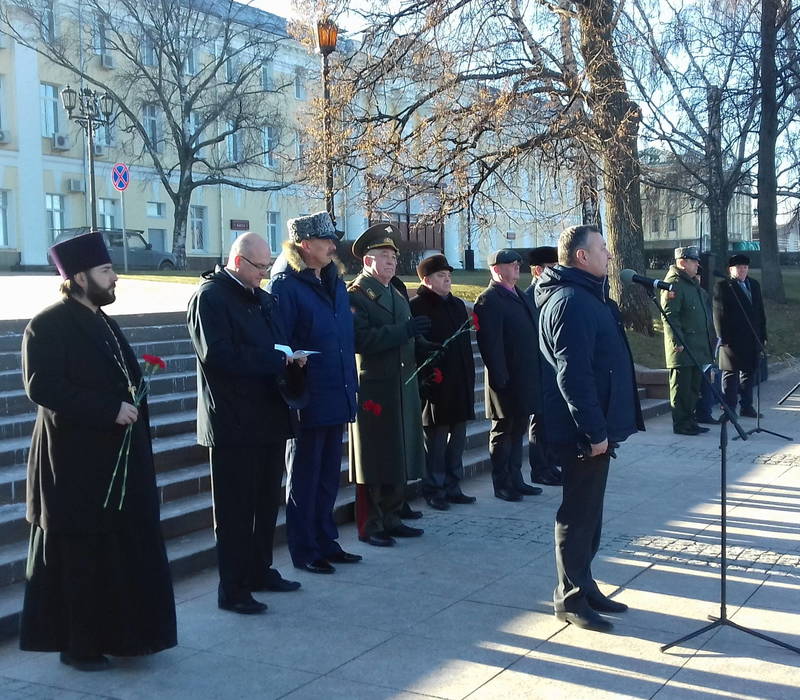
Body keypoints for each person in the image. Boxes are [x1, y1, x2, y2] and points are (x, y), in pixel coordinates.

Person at [20, 231, 176, 670]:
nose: (115, 279)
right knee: (81, 560)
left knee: (113, 555)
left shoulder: (104, 322)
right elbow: (42, 386)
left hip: (115, 464)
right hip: (73, 466)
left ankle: (120, 635)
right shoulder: (47, 324)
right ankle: (79, 644)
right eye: (106, 271)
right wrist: (108, 408)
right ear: (80, 276)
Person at [187, 232, 304, 615]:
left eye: (268, 265)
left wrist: (291, 358)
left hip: (269, 416)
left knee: (266, 502)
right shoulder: (210, 298)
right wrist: (274, 360)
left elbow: (277, 341)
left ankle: (260, 570)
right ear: (238, 262)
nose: (265, 273)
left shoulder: (262, 298)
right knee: (236, 511)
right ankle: (233, 587)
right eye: (259, 267)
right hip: (233, 423)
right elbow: (218, 355)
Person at [537, 225, 644, 633]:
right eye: (602, 249)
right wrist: (594, 431)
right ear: (581, 256)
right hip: (583, 431)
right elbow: (573, 375)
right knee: (577, 514)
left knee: (591, 513)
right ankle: (569, 598)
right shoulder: (570, 301)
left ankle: (585, 584)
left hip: (597, 427)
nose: (609, 255)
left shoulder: (589, 295)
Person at [268, 212, 362, 574]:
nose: (333, 247)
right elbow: (280, 344)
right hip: (307, 398)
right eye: (326, 241)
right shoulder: (285, 285)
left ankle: (326, 541)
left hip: (337, 391)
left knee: (326, 477)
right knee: (304, 478)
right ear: (305, 245)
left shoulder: (334, 280)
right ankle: (304, 549)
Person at [348, 223, 428, 546]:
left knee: (398, 452)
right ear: (368, 261)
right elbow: (361, 339)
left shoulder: (395, 291)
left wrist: (422, 344)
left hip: (400, 383)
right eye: (384, 256)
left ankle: (393, 515)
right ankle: (371, 524)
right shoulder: (357, 294)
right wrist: (405, 333)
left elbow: (405, 334)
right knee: (374, 457)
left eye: (393, 256)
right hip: (375, 387)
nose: (392, 262)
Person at [474, 249, 543, 502]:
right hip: (505, 380)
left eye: (517, 263)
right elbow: (490, 344)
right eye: (511, 264)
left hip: (525, 376)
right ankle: (502, 483)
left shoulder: (520, 296)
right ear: (496, 268)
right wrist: (500, 378)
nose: (516, 267)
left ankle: (516, 478)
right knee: (503, 431)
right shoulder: (489, 299)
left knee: (518, 430)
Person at [410, 254, 476, 510]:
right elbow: (417, 347)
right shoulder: (417, 306)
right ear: (426, 280)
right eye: (441, 275)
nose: (447, 279)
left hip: (459, 382)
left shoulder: (458, 305)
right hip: (436, 384)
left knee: (458, 437)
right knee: (436, 442)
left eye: (449, 275)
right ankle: (434, 488)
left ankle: (453, 485)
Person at [661, 246, 715, 436]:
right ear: (682, 262)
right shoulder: (673, 284)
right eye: (693, 261)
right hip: (683, 348)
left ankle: (690, 420)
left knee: (693, 388)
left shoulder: (691, 283)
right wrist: (677, 342)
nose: (697, 264)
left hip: (697, 347)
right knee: (682, 388)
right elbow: (670, 316)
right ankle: (681, 423)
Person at [523, 246, 562, 486]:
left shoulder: (553, 294)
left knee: (551, 420)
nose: (556, 272)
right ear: (538, 271)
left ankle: (550, 462)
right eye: (551, 268)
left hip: (553, 367)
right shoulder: (528, 298)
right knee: (539, 421)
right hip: (538, 368)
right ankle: (540, 468)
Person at [713, 254, 767, 418]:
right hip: (732, 339)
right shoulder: (723, 286)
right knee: (730, 374)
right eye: (739, 268)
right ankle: (729, 409)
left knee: (749, 373)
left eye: (745, 267)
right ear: (731, 269)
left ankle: (747, 406)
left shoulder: (754, 285)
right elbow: (718, 314)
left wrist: (763, 335)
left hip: (752, 338)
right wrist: (723, 338)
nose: (743, 270)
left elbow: (760, 312)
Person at [694, 269, 722, 425]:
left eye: (699, 276)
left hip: (708, 342)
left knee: (708, 380)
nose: (697, 279)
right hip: (695, 343)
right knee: (698, 382)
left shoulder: (703, 294)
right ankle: (698, 412)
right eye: (695, 276)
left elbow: (710, 318)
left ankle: (705, 412)